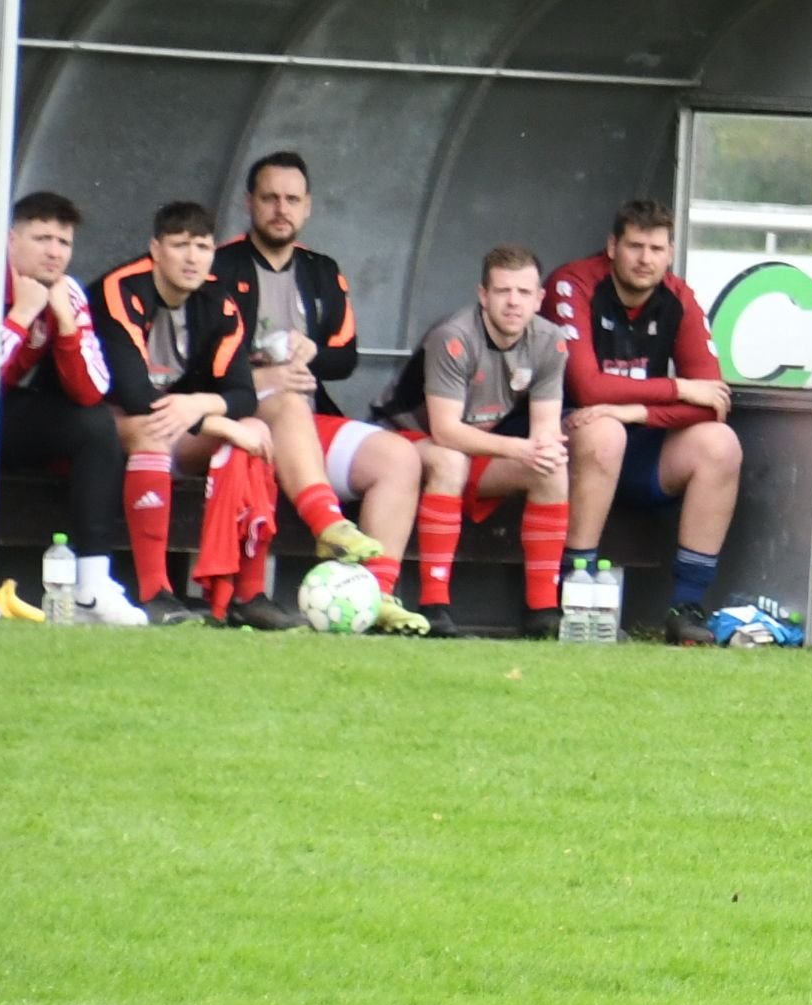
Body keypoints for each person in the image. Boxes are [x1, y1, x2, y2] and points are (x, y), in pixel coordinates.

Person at [551, 200, 745, 644]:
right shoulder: (574, 283)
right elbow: (587, 389)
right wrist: (677, 389)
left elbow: (713, 399)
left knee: (720, 443)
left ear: (671, 252)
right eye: (635, 246)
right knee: (603, 431)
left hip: (640, 446)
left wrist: (636, 410)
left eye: (656, 248)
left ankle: (686, 607)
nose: (645, 259)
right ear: (612, 246)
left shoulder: (677, 296)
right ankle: (575, 589)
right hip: (566, 445)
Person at [209, 151, 408, 575]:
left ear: (308, 206)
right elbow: (196, 363)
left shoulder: (322, 270)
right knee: (286, 402)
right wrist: (263, 374)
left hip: (304, 421)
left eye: (292, 200)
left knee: (399, 457)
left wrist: (313, 352)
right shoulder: (218, 268)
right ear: (249, 203)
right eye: (270, 198)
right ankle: (328, 525)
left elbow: (345, 358)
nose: (282, 210)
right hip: (238, 417)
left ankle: (376, 596)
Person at [93, 201, 277, 627]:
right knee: (158, 428)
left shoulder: (218, 299)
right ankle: (156, 591)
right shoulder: (120, 289)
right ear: (155, 249)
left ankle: (247, 592)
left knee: (254, 430)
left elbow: (243, 393)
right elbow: (136, 394)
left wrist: (199, 406)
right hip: (99, 424)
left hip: (178, 423)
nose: (193, 258)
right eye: (180, 245)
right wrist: (215, 421)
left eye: (203, 246)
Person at [391, 247, 572, 635]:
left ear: (540, 298)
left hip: (481, 444)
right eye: (503, 291)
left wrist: (542, 448)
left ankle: (543, 611)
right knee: (450, 459)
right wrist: (519, 448)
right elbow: (446, 431)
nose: (513, 302)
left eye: (524, 293)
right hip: (405, 438)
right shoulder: (453, 336)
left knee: (551, 469)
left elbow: (545, 427)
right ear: (482, 294)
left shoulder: (551, 340)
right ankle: (434, 604)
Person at [0, 190, 129, 619]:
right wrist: (20, 316)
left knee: (95, 425)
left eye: (64, 242)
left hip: (8, 410)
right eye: (42, 239)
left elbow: (93, 389)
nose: (54, 252)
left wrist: (67, 323)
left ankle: (92, 585)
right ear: (11, 239)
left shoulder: (66, 292)